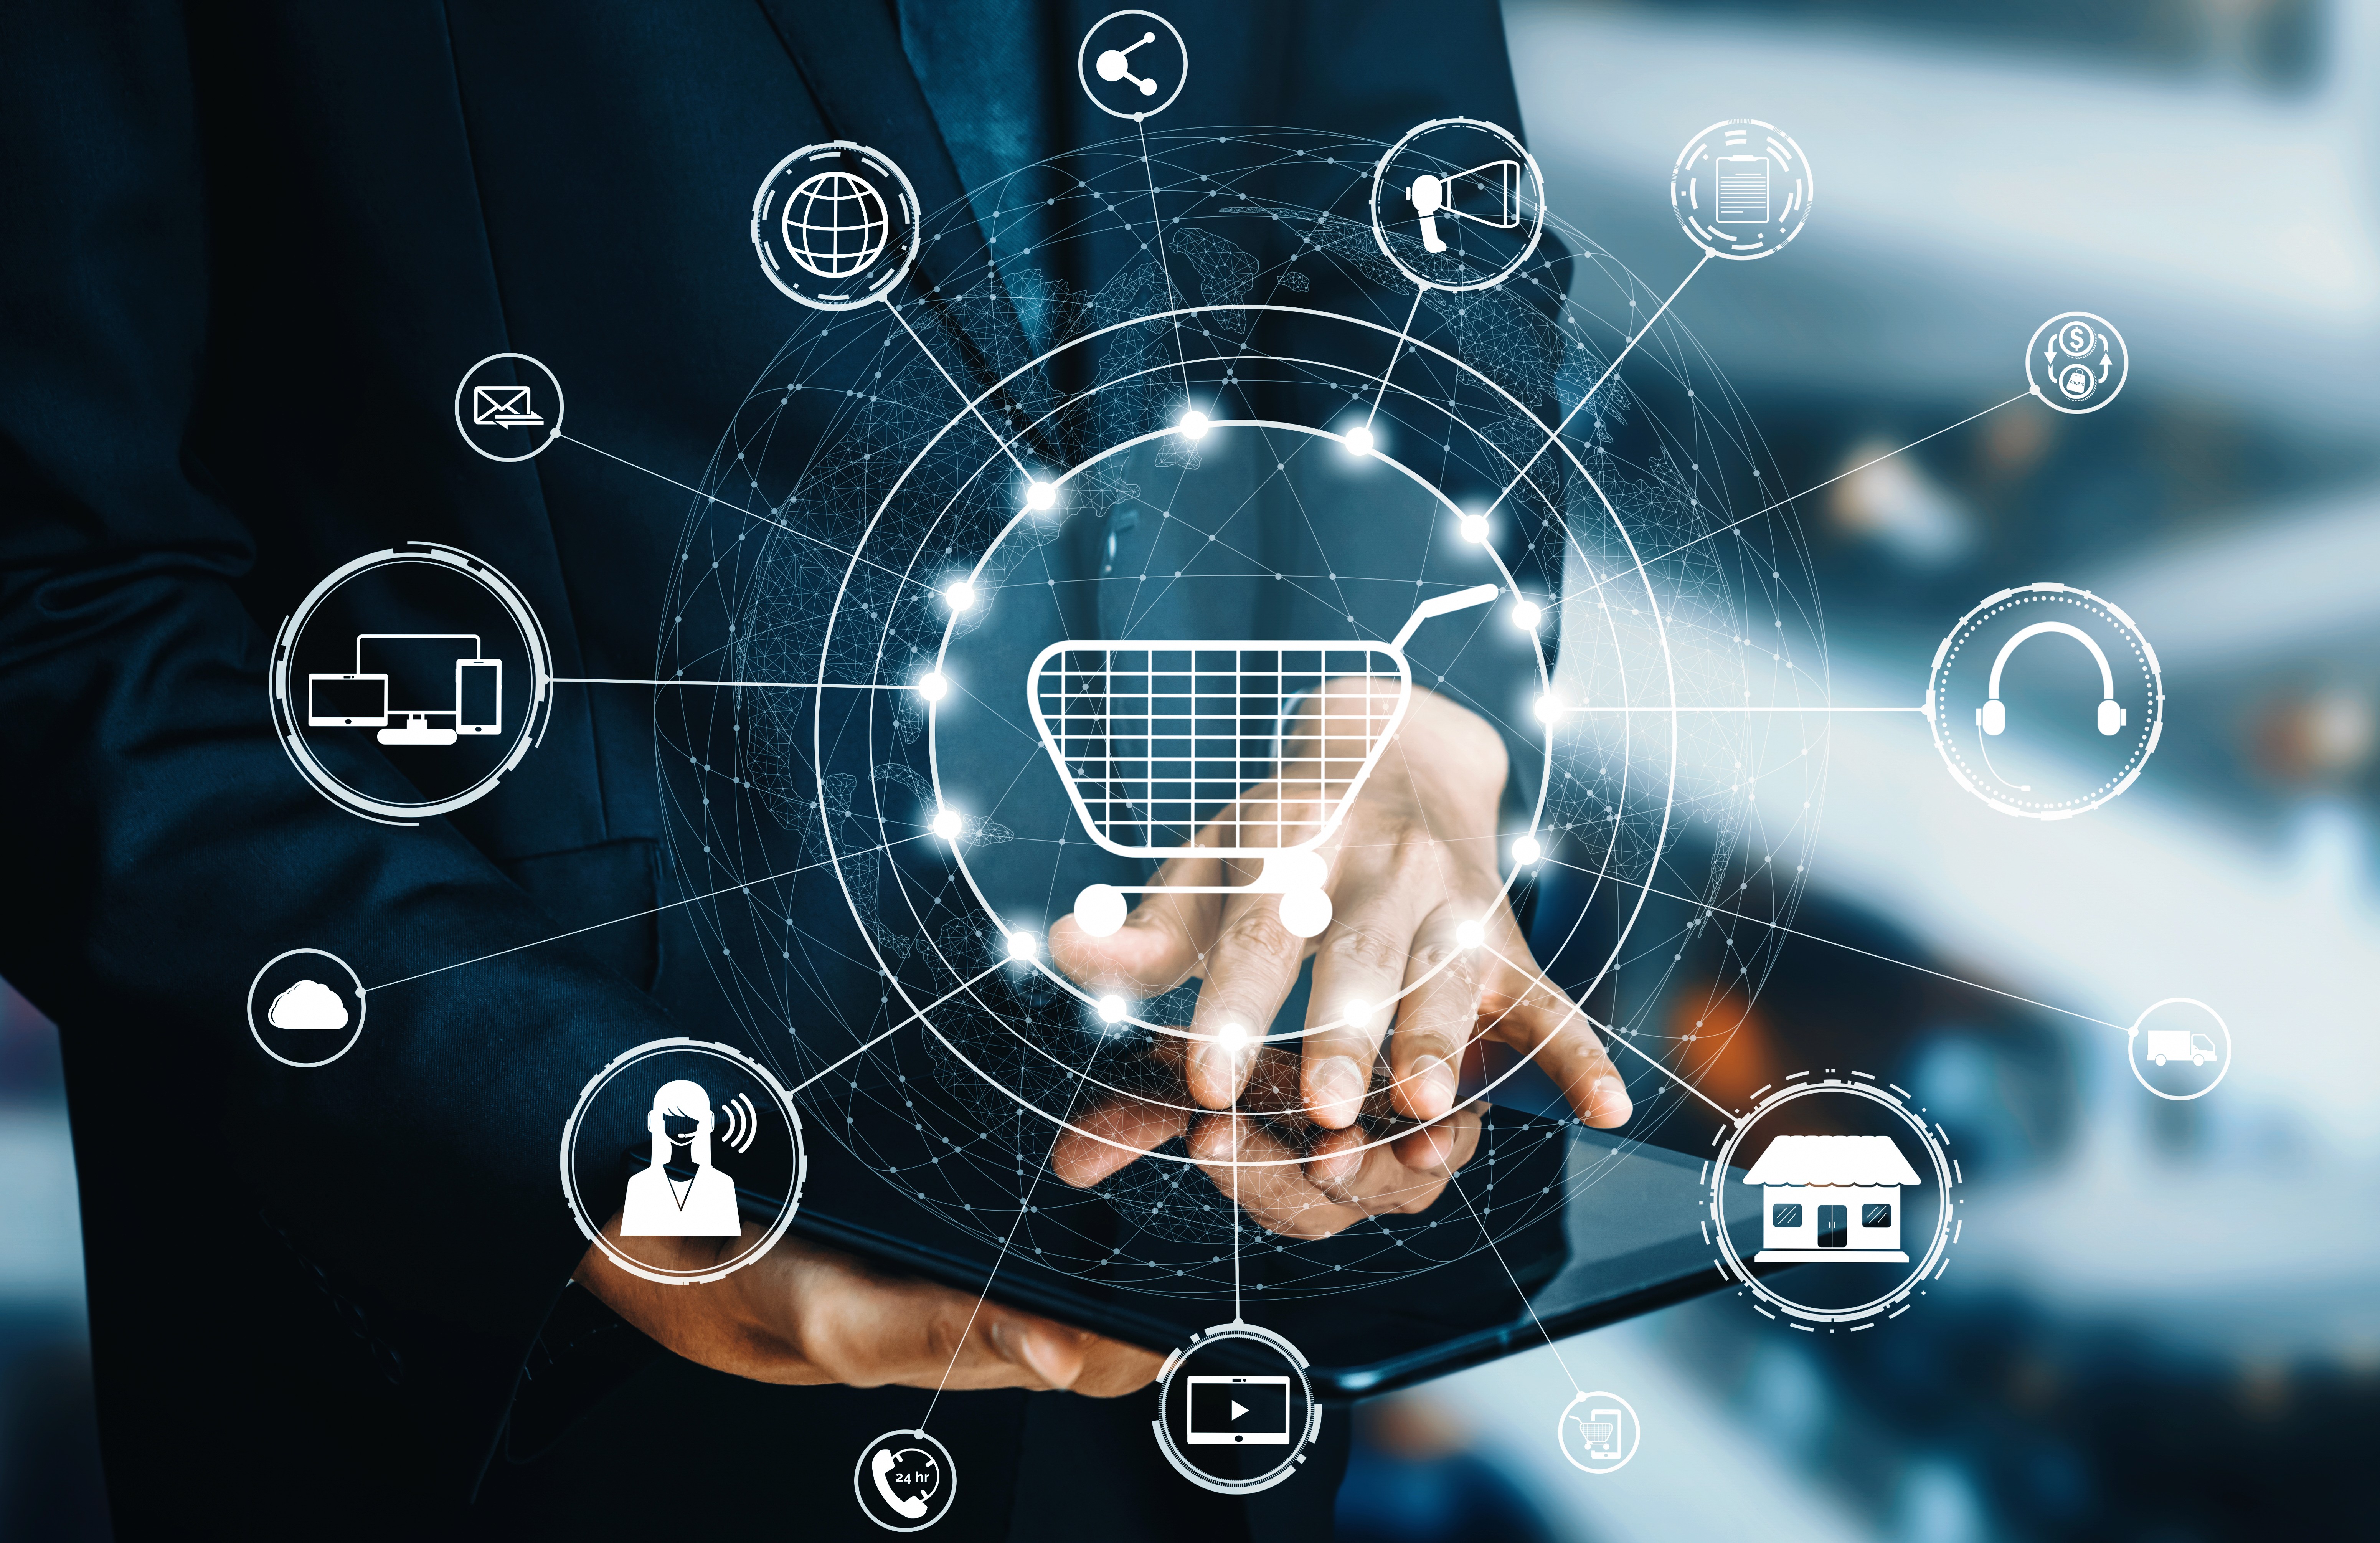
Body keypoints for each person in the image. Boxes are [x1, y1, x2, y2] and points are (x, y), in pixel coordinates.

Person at [0, 3, 1613, 1535]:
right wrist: (562, 1125)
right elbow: (56, 595)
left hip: (1214, 1288)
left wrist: (1404, 697)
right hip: (512, 1359)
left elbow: (1418, 238)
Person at [618, 1080, 739, 1239]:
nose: (683, 1134)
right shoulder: (640, 1183)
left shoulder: (723, 1184)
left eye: (694, 1121)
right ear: (653, 1121)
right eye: (671, 1120)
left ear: (709, 1122)